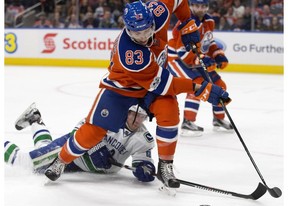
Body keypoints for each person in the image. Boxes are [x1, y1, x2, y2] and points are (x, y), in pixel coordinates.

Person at [44, 0, 231, 189]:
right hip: (122, 88)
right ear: (127, 28)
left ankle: (166, 166)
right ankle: (61, 160)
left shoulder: (159, 10)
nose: (142, 37)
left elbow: (178, 1)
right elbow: (165, 85)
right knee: (93, 131)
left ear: (152, 21)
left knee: (170, 114)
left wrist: (186, 21)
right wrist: (202, 89)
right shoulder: (131, 54)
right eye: (136, 33)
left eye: (147, 30)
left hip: (154, 82)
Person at [4, 103, 156, 183]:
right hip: (70, 152)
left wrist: (145, 170)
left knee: (43, 151)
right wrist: (93, 146)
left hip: (85, 168)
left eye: (141, 116)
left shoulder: (143, 138)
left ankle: (35, 120)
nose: (137, 120)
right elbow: (79, 129)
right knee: (23, 163)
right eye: (133, 115)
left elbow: (144, 162)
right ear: (127, 112)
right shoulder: (109, 116)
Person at [167, 0, 233, 137]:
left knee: (220, 85)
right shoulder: (184, 23)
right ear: (191, 6)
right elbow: (182, 51)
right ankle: (187, 122)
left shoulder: (209, 21)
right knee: (197, 86)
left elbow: (208, 42)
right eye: (197, 5)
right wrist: (203, 59)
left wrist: (217, 54)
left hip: (194, 58)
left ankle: (219, 119)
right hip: (176, 59)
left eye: (203, 6)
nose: (200, 9)